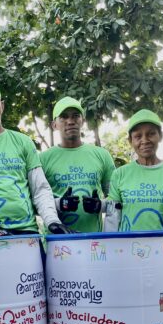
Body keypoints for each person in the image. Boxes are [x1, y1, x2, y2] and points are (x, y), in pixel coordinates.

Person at [0, 79, 71, 236]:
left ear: (2, 105)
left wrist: (52, 221)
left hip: (27, 233)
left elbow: (40, 189)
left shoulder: (24, 142)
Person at [40, 97, 115, 233]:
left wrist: (100, 205)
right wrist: (59, 204)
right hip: (56, 244)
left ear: (83, 121)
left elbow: (116, 199)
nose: (70, 121)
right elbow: (35, 202)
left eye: (75, 116)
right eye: (63, 117)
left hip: (93, 242)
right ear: (54, 125)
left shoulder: (102, 155)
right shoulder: (42, 159)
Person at [105, 109, 163, 231]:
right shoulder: (120, 174)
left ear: (160, 136)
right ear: (130, 141)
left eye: (151, 134)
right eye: (138, 136)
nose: (145, 140)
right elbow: (112, 217)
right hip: (126, 247)